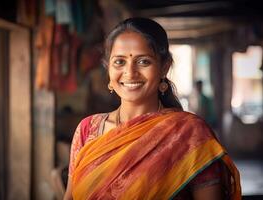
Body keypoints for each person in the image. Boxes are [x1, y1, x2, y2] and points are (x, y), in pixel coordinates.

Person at [64, 18, 241, 200]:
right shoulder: (87, 130)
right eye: (119, 62)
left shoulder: (191, 134)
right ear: (108, 67)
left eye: (143, 62)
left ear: (164, 67)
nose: (130, 72)